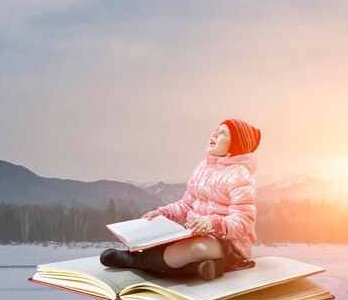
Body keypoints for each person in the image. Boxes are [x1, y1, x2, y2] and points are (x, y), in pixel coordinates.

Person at [100, 118, 261, 281]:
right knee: (169, 245)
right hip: (194, 233)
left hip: (229, 244)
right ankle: (204, 267)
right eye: (216, 130)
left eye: (223, 133)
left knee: (191, 249)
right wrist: (163, 214)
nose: (215, 134)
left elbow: (243, 221)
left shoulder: (240, 175)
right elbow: (187, 204)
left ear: (236, 145)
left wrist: (213, 223)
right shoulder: (202, 168)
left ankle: (132, 260)